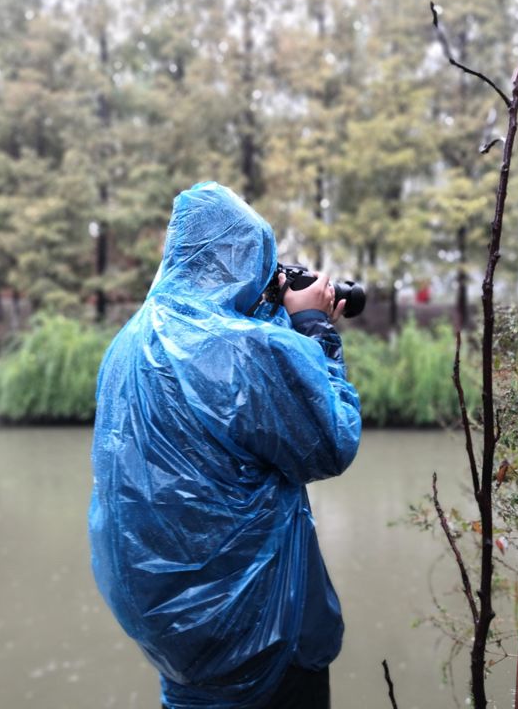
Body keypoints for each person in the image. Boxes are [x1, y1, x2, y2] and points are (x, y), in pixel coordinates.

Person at [88, 181, 362, 709]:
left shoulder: (128, 343)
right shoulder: (245, 352)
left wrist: (270, 321)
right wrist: (311, 326)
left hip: (177, 644)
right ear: (245, 261)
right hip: (262, 635)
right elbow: (329, 444)